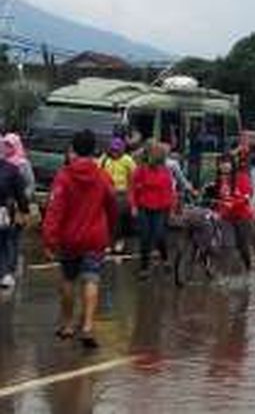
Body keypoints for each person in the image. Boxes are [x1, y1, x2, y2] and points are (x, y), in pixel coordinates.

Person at [42, 130, 118, 349]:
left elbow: (54, 210)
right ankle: (87, 326)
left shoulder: (64, 176)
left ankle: (67, 324)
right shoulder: (102, 176)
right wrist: (110, 230)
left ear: (73, 149)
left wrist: (49, 240)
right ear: (94, 150)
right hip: (95, 237)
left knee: (68, 279)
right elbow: (112, 205)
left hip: (69, 239)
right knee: (92, 279)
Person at [129, 142, 175, 279]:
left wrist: (171, 209)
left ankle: (165, 257)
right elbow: (133, 190)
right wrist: (133, 206)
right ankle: (144, 267)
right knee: (145, 237)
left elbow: (170, 192)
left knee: (159, 234)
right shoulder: (141, 171)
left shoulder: (165, 172)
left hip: (160, 208)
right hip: (144, 207)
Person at [206, 153, 253, 271]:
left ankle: (248, 267)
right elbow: (217, 200)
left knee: (243, 247)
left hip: (242, 217)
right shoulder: (218, 181)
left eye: (226, 162)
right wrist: (215, 211)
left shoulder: (242, 177)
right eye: (221, 163)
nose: (224, 165)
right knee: (228, 245)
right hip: (226, 218)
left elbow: (247, 197)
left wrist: (234, 203)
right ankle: (227, 272)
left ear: (232, 164)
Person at [2, 133, 35, 282]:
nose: (7, 148)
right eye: (5, 144)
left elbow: (29, 185)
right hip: (5, 209)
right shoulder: (4, 164)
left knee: (12, 239)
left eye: (10, 145)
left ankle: (10, 269)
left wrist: (22, 205)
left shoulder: (22, 164)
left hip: (15, 208)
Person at [98, 137, 137, 253]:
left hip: (122, 193)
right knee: (105, 218)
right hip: (107, 192)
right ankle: (108, 241)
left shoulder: (127, 160)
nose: (114, 153)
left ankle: (119, 239)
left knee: (119, 217)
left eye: (117, 150)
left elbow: (134, 177)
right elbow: (97, 170)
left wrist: (131, 196)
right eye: (113, 150)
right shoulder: (104, 159)